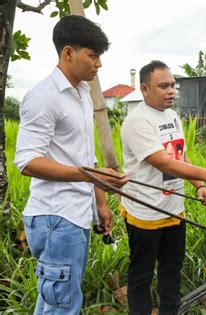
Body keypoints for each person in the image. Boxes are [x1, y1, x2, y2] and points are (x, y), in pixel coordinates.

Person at [14, 15, 128, 314]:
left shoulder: (82, 96)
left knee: (57, 300)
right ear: (68, 53)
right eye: (92, 55)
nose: (98, 64)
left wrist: (100, 202)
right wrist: (88, 176)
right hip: (55, 217)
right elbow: (27, 162)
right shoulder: (43, 96)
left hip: (76, 214)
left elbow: (85, 157)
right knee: (61, 305)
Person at [120, 60, 206, 315]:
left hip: (174, 210)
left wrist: (200, 185)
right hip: (145, 214)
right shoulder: (137, 121)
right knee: (142, 274)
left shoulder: (172, 116)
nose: (171, 90)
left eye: (172, 85)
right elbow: (162, 162)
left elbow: (180, 155)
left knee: (172, 270)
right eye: (163, 86)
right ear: (144, 89)